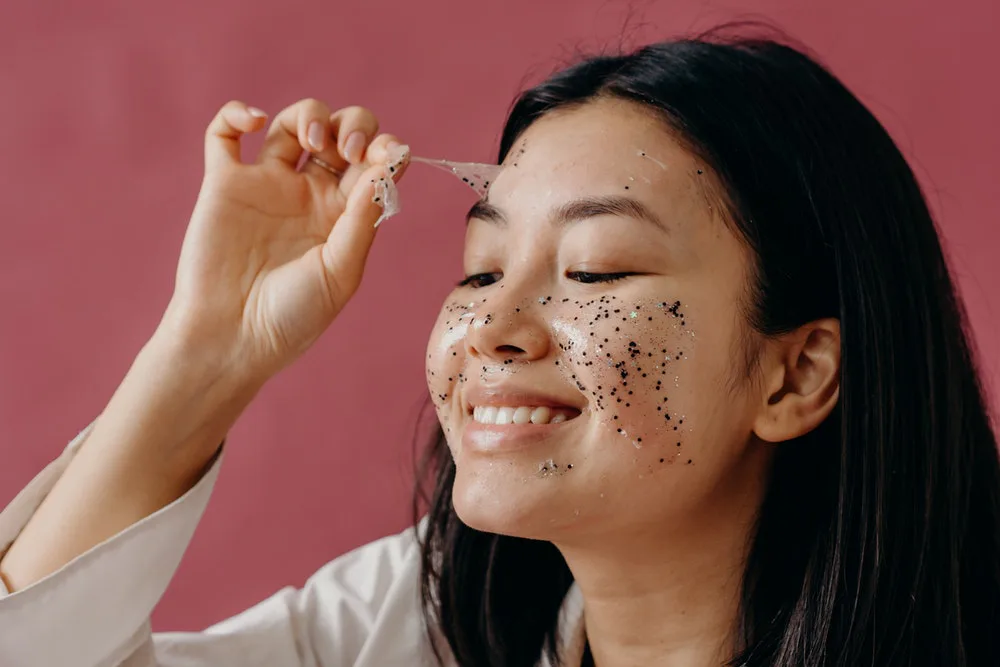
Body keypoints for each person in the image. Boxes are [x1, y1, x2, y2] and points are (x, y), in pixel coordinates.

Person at [1, 30, 998, 667]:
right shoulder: (406, 627)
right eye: (480, 270)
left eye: (598, 271)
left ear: (795, 373)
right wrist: (209, 347)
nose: (491, 327)